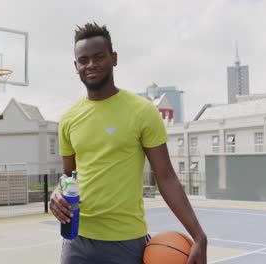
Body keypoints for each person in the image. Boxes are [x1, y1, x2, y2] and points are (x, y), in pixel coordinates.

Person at [50, 22, 207, 264]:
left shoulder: (142, 111)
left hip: (126, 243)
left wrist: (198, 235)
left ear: (114, 58)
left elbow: (166, 177)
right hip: (76, 240)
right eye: (83, 60)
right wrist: (57, 194)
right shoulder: (69, 119)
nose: (90, 64)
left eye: (99, 57)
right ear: (76, 66)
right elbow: (68, 177)